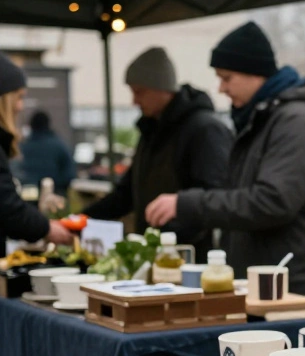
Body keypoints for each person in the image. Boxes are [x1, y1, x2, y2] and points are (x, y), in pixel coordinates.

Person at [144, 22, 305, 297]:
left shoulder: (298, 123)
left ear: (255, 74)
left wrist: (189, 204)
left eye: (227, 78)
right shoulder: (262, 119)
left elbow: (272, 201)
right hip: (271, 282)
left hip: (299, 287)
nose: (221, 88)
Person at [82, 47, 232, 260]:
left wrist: (166, 238)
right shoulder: (151, 131)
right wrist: (82, 220)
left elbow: (215, 197)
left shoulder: (204, 129)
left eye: (139, 92)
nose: (134, 101)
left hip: (192, 260)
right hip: (153, 255)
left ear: (163, 88)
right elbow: (126, 194)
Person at [0, 54, 75, 246]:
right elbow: (6, 205)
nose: (20, 106)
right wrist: (46, 228)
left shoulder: (24, 144)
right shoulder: (58, 144)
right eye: (19, 97)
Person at [18, 111, 76, 194]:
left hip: (28, 196)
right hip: (55, 195)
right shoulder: (59, 145)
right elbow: (70, 174)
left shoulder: (23, 147)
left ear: (31, 125)